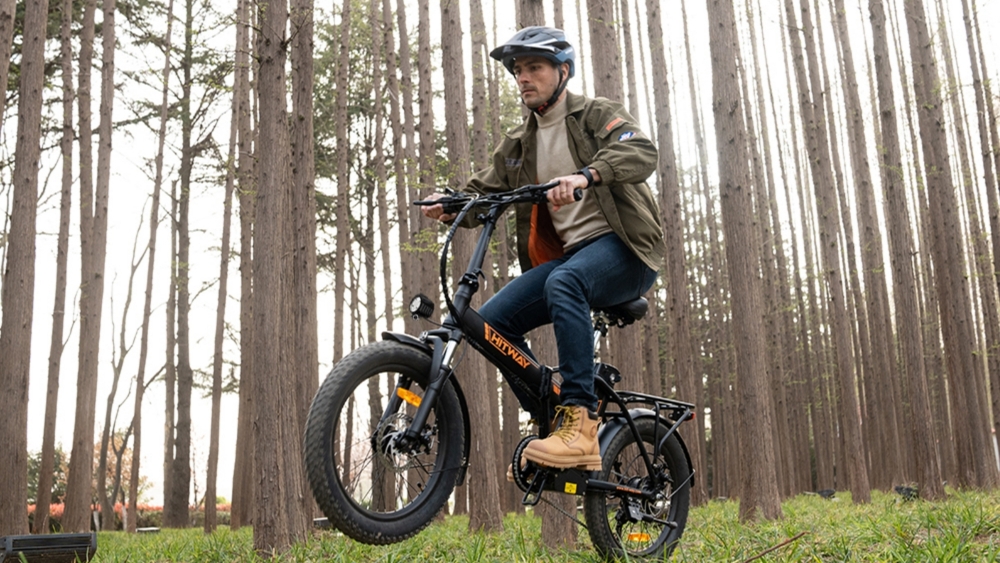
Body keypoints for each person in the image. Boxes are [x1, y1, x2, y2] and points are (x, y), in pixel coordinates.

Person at [422, 26, 665, 474]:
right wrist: (452, 202)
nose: (523, 78)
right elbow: (486, 189)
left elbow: (641, 152)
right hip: (570, 259)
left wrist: (588, 175)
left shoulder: (595, 115)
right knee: (491, 323)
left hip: (626, 251)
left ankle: (580, 422)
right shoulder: (519, 143)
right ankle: (552, 416)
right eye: (518, 70)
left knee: (564, 280)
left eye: (534, 67)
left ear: (563, 71)